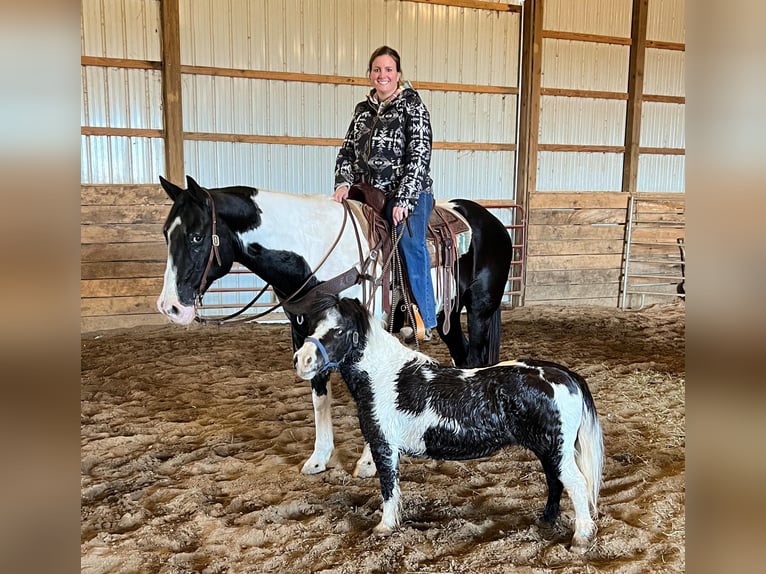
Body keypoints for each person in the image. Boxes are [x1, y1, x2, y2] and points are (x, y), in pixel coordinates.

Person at [332, 45, 436, 340]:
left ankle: (424, 318)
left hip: (408, 191)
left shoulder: (413, 106)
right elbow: (347, 152)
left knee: (409, 243)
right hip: (368, 191)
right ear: (369, 75)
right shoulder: (362, 111)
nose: (382, 75)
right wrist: (342, 183)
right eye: (377, 70)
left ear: (398, 75)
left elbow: (419, 154)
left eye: (388, 70)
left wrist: (404, 199)